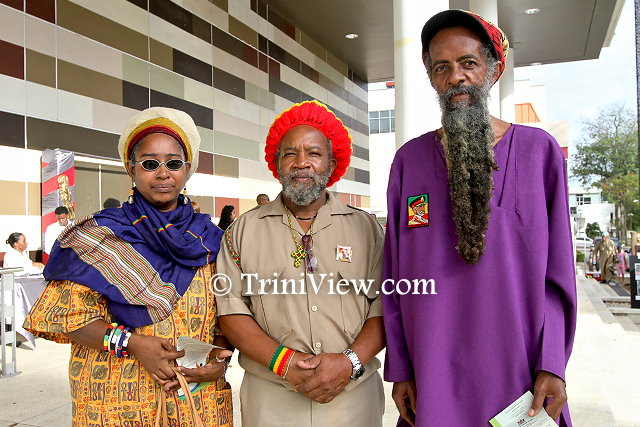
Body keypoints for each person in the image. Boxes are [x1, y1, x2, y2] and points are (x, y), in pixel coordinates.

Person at [382, 10, 577, 426]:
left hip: (519, 374)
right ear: (432, 78)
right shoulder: (409, 162)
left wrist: (553, 362)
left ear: (493, 70)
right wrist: (400, 369)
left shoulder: (538, 152)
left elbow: (559, 274)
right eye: (441, 67)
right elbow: (394, 276)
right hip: (432, 375)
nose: (456, 77)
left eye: (468, 62)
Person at [24, 107, 233, 426]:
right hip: (118, 398)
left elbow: (231, 315)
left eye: (173, 163)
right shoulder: (97, 236)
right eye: (150, 163)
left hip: (195, 400)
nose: (163, 173)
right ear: (131, 168)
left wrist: (219, 360)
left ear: (187, 169)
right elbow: (68, 316)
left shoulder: (211, 240)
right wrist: (133, 344)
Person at [216, 100, 386, 426]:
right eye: (290, 153)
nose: (302, 162)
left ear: (331, 164)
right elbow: (231, 310)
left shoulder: (366, 229)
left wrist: (349, 362)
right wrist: (284, 362)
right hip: (271, 401)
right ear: (276, 163)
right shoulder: (242, 231)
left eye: (314, 153)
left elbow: (385, 305)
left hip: (352, 399)